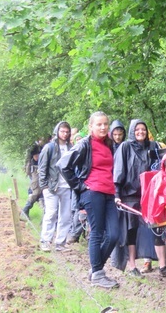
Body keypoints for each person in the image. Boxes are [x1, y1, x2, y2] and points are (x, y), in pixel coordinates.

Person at [57, 111, 120, 289]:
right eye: (98, 124)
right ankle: (98, 273)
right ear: (90, 127)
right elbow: (63, 165)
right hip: (92, 193)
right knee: (97, 233)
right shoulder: (85, 144)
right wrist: (80, 186)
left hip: (109, 193)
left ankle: (95, 269)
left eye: (105, 124)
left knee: (114, 234)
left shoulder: (109, 144)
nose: (102, 127)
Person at [114, 119, 164, 277]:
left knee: (157, 227)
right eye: (137, 130)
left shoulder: (153, 146)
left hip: (150, 194)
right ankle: (132, 265)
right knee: (131, 230)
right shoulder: (125, 147)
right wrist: (116, 193)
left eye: (143, 129)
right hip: (130, 195)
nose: (140, 132)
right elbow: (119, 170)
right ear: (131, 132)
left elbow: (163, 166)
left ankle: (163, 265)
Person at [38, 121, 73, 252]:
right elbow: (42, 168)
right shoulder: (49, 147)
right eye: (62, 131)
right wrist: (44, 186)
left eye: (66, 131)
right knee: (51, 213)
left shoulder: (71, 147)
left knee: (65, 215)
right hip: (52, 186)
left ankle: (60, 243)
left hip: (67, 186)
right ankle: (45, 241)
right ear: (57, 132)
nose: (64, 134)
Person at [20, 142, 43, 220]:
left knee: (42, 202)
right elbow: (29, 173)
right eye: (35, 155)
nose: (37, 157)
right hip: (35, 184)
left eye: (38, 155)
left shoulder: (43, 162)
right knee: (33, 197)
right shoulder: (31, 163)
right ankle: (24, 212)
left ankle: (43, 220)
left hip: (42, 184)